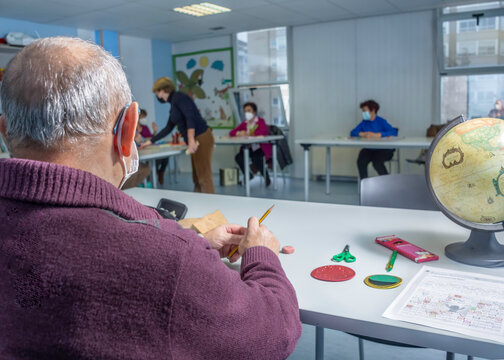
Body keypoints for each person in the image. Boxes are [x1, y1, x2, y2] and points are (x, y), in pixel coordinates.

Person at [0, 37, 301, 359]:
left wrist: (191, 236)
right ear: (129, 127)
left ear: (5, 132)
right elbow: (273, 334)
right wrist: (262, 254)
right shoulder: (170, 259)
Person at [140, 77, 215, 193]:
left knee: (203, 176)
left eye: (156, 92)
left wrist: (191, 141)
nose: (156, 95)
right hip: (195, 138)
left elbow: (190, 118)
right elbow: (168, 127)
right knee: (197, 177)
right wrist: (150, 142)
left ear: (163, 90)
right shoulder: (174, 103)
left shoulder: (180, 97)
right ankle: (200, 204)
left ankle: (211, 208)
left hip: (201, 137)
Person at [350, 100, 398, 179]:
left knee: (377, 162)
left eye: (365, 111)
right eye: (363, 111)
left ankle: (388, 182)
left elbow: (394, 132)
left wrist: (378, 135)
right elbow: (352, 132)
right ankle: (364, 183)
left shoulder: (381, 121)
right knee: (361, 161)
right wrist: (363, 134)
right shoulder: (364, 122)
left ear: (373, 110)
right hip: (370, 149)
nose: (363, 113)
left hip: (384, 149)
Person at [229, 102, 272, 186]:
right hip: (247, 148)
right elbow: (232, 132)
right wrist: (239, 133)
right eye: (245, 111)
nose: (247, 113)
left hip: (258, 147)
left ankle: (266, 176)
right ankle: (248, 175)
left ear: (254, 112)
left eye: (249, 110)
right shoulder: (245, 123)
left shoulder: (260, 121)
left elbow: (263, 132)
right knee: (238, 158)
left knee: (257, 158)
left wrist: (250, 133)